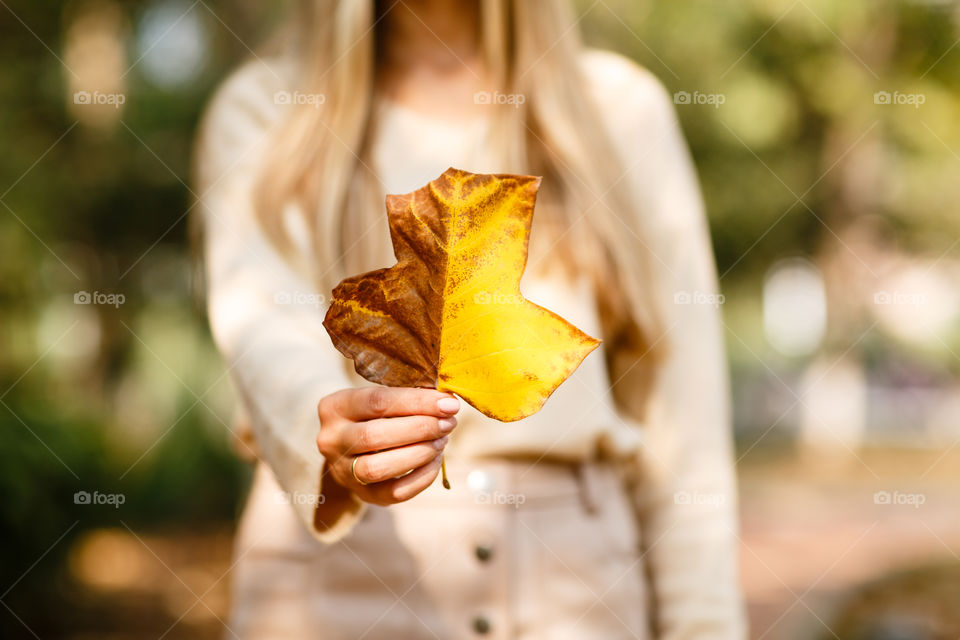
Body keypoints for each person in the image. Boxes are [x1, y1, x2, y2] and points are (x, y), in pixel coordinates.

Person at [196, 0, 746, 637]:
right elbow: (263, 328)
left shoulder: (620, 110)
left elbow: (685, 423)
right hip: (329, 588)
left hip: (576, 591)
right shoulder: (267, 110)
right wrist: (335, 431)